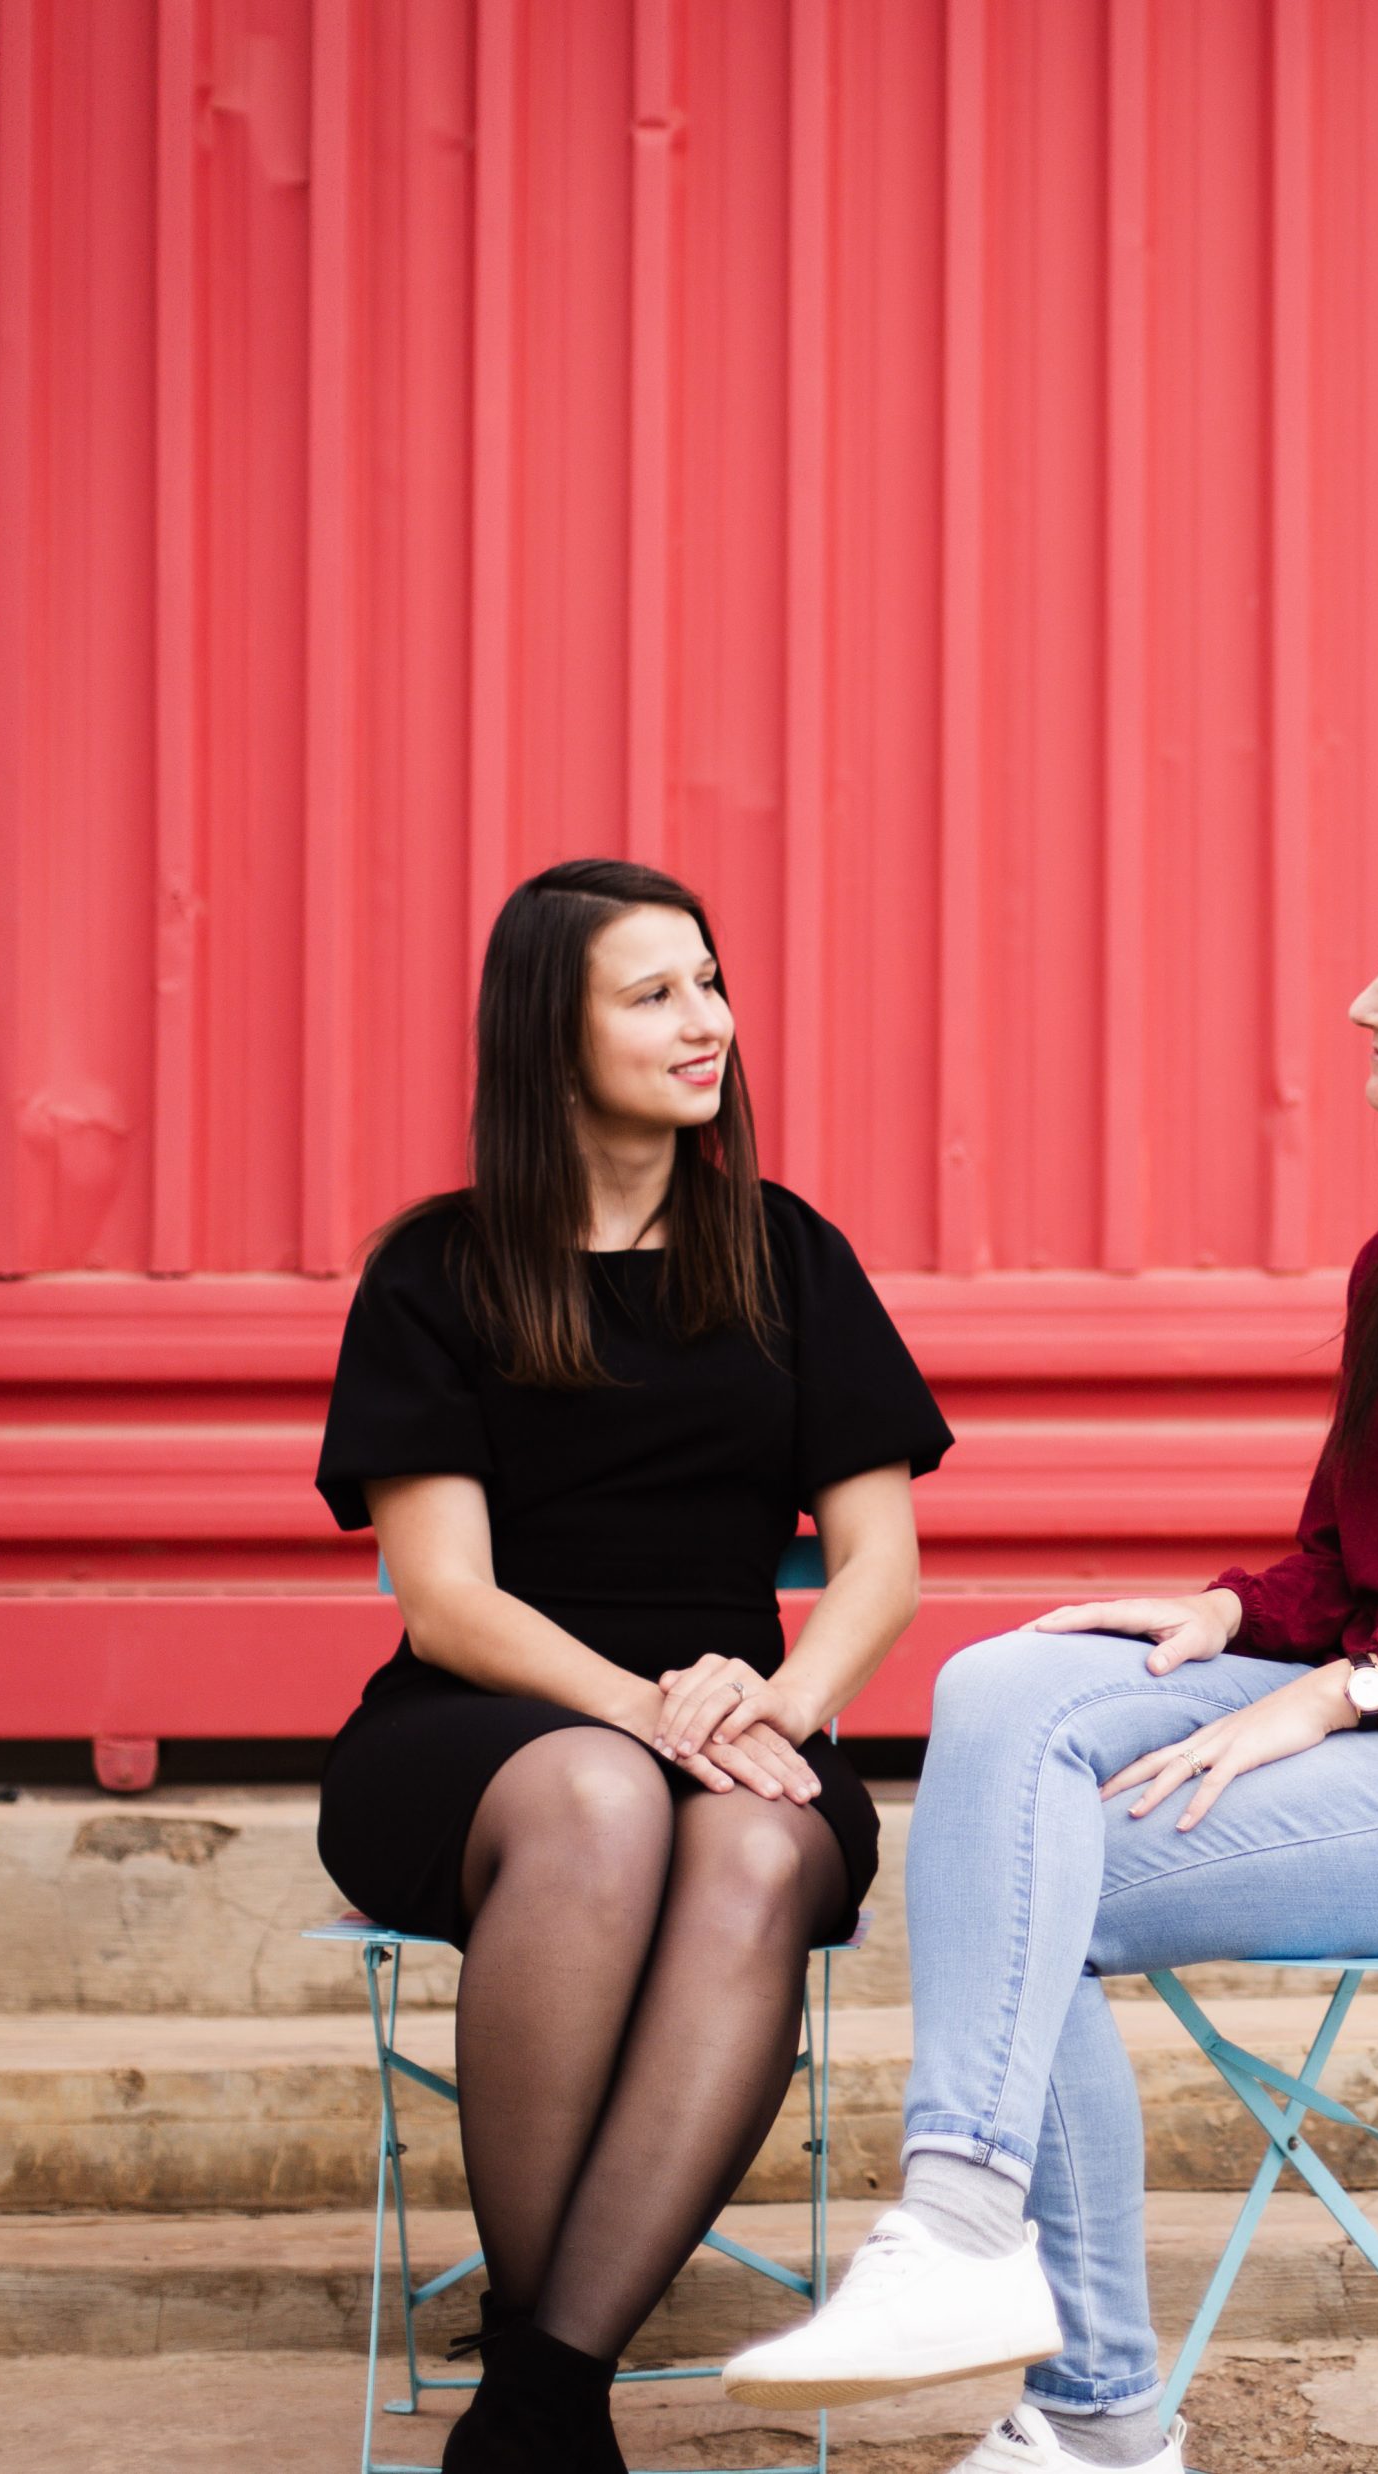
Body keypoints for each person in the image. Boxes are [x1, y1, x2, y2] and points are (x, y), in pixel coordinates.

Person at [723, 828, 1378, 2474]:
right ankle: (962, 2220)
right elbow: (1349, 1561)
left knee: (1027, 1887)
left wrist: (1345, 1690)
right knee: (998, 1690)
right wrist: (1235, 1617)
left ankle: (1097, 2415)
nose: (1362, 1006)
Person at [314, 858, 951, 2474]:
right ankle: (551, 2390)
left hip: (746, 1721)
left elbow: (881, 1567)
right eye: (654, 993)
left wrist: (780, 1704)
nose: (706, 1020)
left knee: (753, 1843)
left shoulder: (788, 1255)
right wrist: (648, 1711)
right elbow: (445, 1598)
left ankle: (540, 2396)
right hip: (483, 1736)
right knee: (603, 1795)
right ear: (551, 1033)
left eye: (710, 982)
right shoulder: (436, 1272)